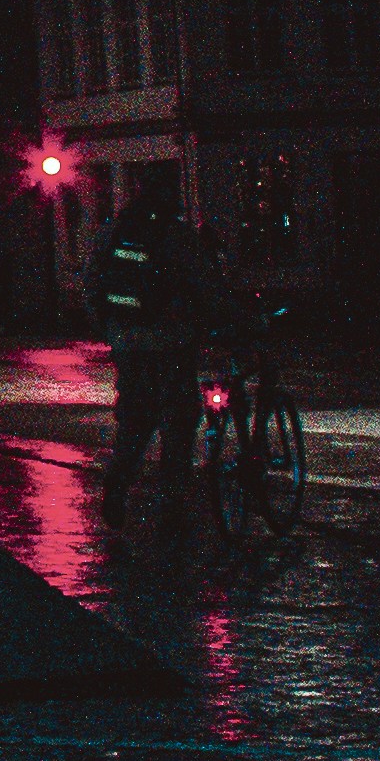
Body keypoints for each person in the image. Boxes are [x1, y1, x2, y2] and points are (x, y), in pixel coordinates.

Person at [92, 173, 219, 528]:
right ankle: (172, 500)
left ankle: (116, 487)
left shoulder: (114, 234)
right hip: (172, 344)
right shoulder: (179, 238)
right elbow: (207, 288)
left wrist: (113, 333)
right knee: (178, 422)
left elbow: (94, 286)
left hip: (129, 345)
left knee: (135, 420)